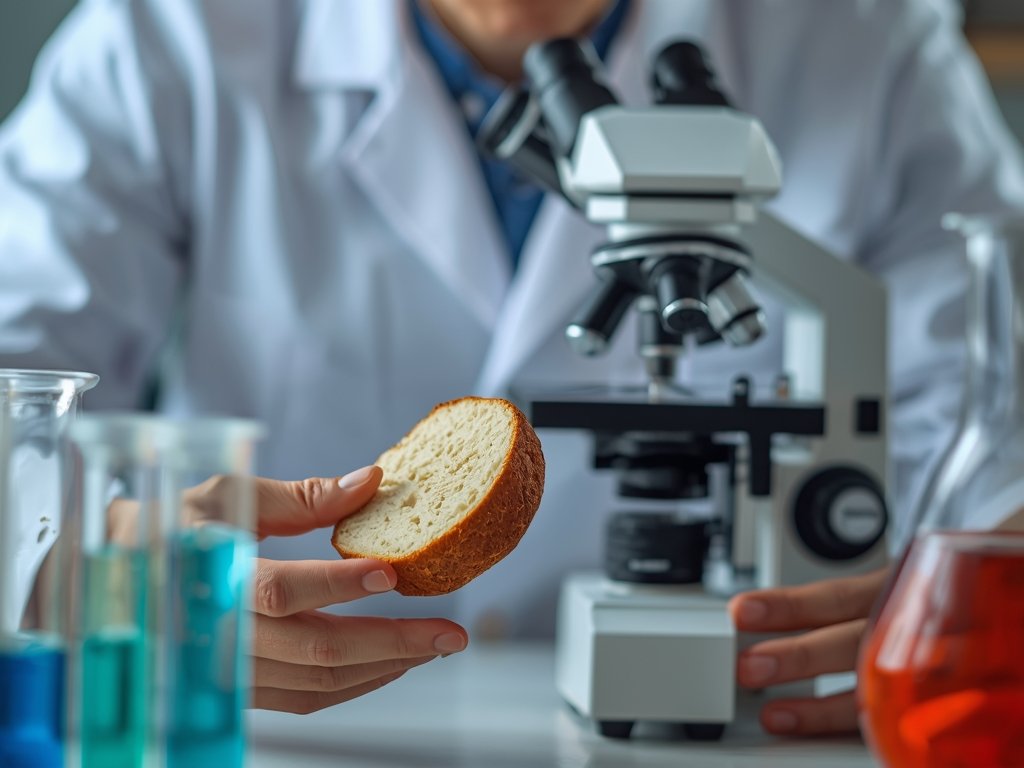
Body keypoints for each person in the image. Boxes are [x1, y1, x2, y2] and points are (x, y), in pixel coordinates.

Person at [2, 0, 1024, 737]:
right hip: (261, 728)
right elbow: (16, 395)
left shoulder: (870, 42)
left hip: (766, 708)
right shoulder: (165, 35)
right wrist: (114, 572)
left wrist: (966, 598)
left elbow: (1002, 422)